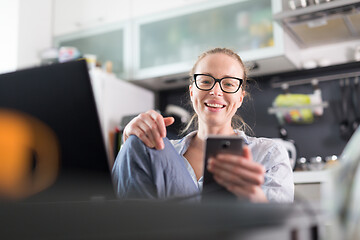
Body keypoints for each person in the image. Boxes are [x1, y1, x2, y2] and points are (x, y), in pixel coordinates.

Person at [112, 48, 294, 203]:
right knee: (137, 143)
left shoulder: (269, 154)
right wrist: (129, 142)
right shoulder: (162, 154)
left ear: (240, 98)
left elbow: (282, 228)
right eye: (206, 81)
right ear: (192, 92)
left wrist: (254, 200)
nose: (216, 91)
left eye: (229, 84)